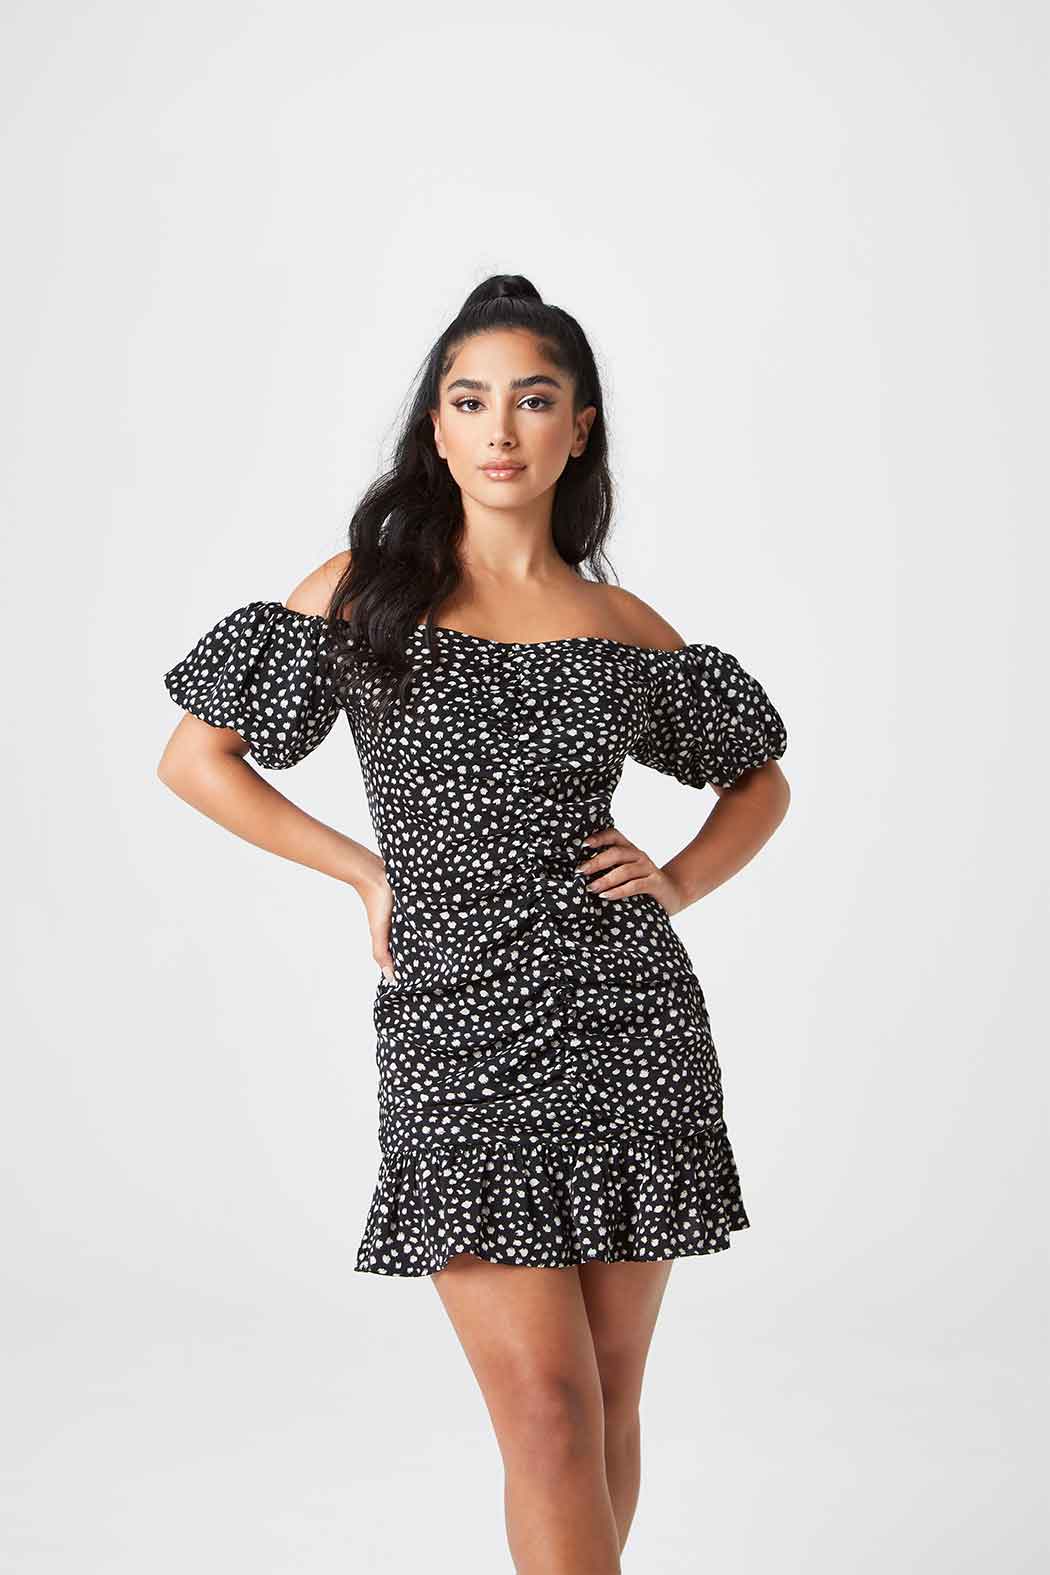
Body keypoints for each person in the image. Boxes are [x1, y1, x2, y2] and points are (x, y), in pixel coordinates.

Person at [158, 273, 790, 1573]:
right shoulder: (365, 592)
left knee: (607, 1400)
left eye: (533, 400)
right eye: (469, 400)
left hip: (630, 1025)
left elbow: (758, 780)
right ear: (436, 431)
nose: (500, 428)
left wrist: (676, 881)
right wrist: (364, 872)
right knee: (547, 1415)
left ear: (579, 429)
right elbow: (197, 758)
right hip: (456, 1025)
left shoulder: (618, 625)